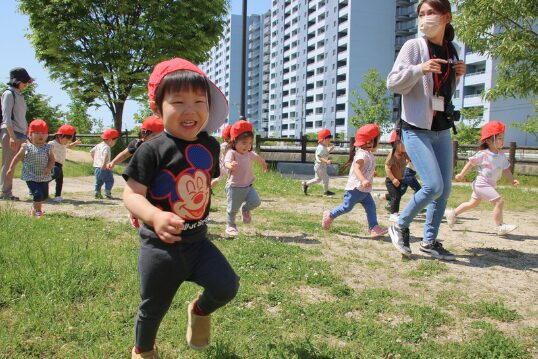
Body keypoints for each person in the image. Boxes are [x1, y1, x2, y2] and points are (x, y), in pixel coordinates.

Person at [122, 58, 239, 358]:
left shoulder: (210, 147)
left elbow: (203, 180)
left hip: (198, 242)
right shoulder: (152, 149)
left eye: (199, 101)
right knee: (153, 308)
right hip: (160, 247)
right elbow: (131, 194)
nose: (190, 110)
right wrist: (155, 215)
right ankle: (143, 352)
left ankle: (199, 310)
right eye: (178, 101)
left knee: (226, 286)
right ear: (158, 108)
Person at [386, 0, 466, 260]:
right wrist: (420, 68)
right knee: (432, 185)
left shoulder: (452, 49)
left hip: (441, 128)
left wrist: (458, 76)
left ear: (446, 17)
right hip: (416, 128)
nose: (424, 18)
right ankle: (399, 224)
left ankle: (429, 242)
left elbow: (442, 92)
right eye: (421, 14)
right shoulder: (413, 47)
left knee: (445, 189)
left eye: (430, 13)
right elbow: (393, 83)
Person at [445, 121, 519, 235]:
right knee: (499, 202)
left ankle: (452, 213)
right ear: (489, 141)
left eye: (502, 138)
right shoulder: (483, 154)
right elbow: (471, 163)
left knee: (472, 204)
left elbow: (505, 169)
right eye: (499, 138)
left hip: (490, 184)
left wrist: (512, 180)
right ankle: (500, 226)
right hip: (481, 183)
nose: (502, 140)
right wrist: (461, 175)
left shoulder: (501, 155)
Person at [321, 124, 388, 238]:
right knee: (347, 207)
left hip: (364, 191)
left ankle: (373, 228)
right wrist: (363, 179)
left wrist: (372, 173)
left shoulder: (369, 154)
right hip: (355, 189)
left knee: (371, 207)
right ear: (369, 142)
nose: (379, 143)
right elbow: (357, 169)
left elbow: (365, 168)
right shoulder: (362, 154)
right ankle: (329, 215)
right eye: (378, 140)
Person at [224, 119, 268, 236]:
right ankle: (231, 226)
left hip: (248, 186)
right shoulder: (232, 153)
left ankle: (245, 209)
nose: (247, 146)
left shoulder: (249, 153)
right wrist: (230, 165)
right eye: (244, 143)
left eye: (249, 143)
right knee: (232, 209)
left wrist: (263, 164)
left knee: (256, 202)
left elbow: (258, 158)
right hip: (234, 187)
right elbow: (226, 162)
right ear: (234, 141)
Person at [6, 119, 54, 218]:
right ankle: (38, 212)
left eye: (43, 133)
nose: (40, 135)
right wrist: (10, 168)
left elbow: (52, 160)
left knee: (43, 196)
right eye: (36, 133)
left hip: (44, 176)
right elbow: (17, 157)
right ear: (30, 135)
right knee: (37, 194)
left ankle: (34, 207)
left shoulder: (47, 147)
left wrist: (49, 168)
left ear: (47, 135)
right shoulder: (26, 147)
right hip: (30, 175)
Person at [1, 67, 34, 201]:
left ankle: (35, 190)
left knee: (29, 162)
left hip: (21, 134)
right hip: (11, 134)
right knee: (9, 164)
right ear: (17, 81)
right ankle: (5, 193)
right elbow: (6, 118)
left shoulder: (20, 95)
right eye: (24, 82)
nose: (26, 84)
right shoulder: (9, 94)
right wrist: (12, 137)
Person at [48, 124, 81, 202]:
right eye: (66, 139)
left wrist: (75, 143)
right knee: (54, 174)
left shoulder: (64, 143)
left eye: (68, 140)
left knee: (60, 180)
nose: (67, 142)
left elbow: (69, 146)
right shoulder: (52, 143)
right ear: (59, 136)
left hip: (60, 164)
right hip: (52, 163)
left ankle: (57, 196)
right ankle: (42, 183)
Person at [384, 130, 410, 222]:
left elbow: (409, 159)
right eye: (405, 143)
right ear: (396, 143)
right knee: (396, 196)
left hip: (399, 180)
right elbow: (387, 167)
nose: (406, 145)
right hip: (391, 181)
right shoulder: (393, 154)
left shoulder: (403, 153)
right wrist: (393, 178)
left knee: (397, 196)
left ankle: (394, 212)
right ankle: (393, 214)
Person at [302, 128, 335, 196]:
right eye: (328, 139)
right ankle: (326, 192)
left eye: (329, 139)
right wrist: (326, 161)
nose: (329, 140)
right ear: (322, 140)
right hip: (320, 166)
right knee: (326, 178)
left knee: (318, 179)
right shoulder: (321, 147)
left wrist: (330, 150)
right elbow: (319, 157)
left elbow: (325, 154)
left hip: (321, 166)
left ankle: (306, 184)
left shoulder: (324, 147)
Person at [90, 128, 119, 199]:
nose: (114, 143)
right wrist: (103, 165)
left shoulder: (98, 145)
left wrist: (95, 160)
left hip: (97, 167)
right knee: (109, 180)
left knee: (99, 181)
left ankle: (97, 192)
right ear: (111, 139)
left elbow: (91, 152)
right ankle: (107, 193)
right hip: (105, 167)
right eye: (115, 141)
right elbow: (105, 155)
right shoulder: (107, 147)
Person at [210, 123, 232, 188]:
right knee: (232, 178)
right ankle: (230, 189)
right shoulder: (230, 145)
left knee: (218, 179)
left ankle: (209, 188)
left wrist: (218, 157)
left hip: (221, 165)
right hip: (227, 166)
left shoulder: (223, 145)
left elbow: (217, 150)